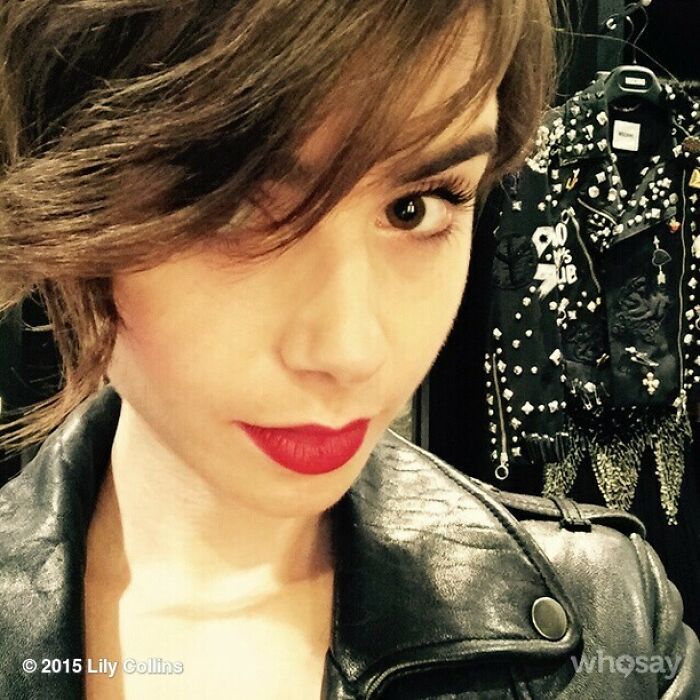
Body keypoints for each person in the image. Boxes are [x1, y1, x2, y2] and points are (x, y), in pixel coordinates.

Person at [0, 1, 697, 698]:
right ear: (62, 195)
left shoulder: (615, 627)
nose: (351, 351)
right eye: (233, 206)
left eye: (415, 206)